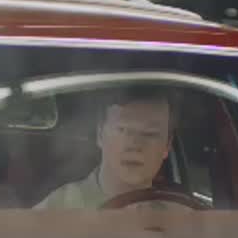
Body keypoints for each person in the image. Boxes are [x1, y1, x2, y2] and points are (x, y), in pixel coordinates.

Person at [36, 86, 174, 209]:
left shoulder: (177, 216)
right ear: (100, 134)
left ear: (167, 146)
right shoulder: (59, 209)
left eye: (150, 134)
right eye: (123, 130)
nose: (135, 144)